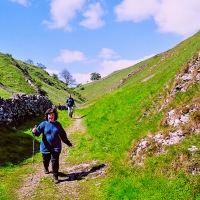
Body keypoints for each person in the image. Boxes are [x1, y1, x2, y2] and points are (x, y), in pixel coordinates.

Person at [32, 108, 72, 184]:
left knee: (55, 161)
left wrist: (68, 143)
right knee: (45, 160)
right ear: (47, 116)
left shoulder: (58, 125)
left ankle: (55, 176)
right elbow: (37, 133)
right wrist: (34, 131)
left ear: (55, 116)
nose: (51, 116)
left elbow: (63, 136)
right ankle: (46, 167)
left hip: (56, 147)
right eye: (49, 115)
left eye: (52, 115)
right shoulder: (43, 124)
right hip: (45, 147)